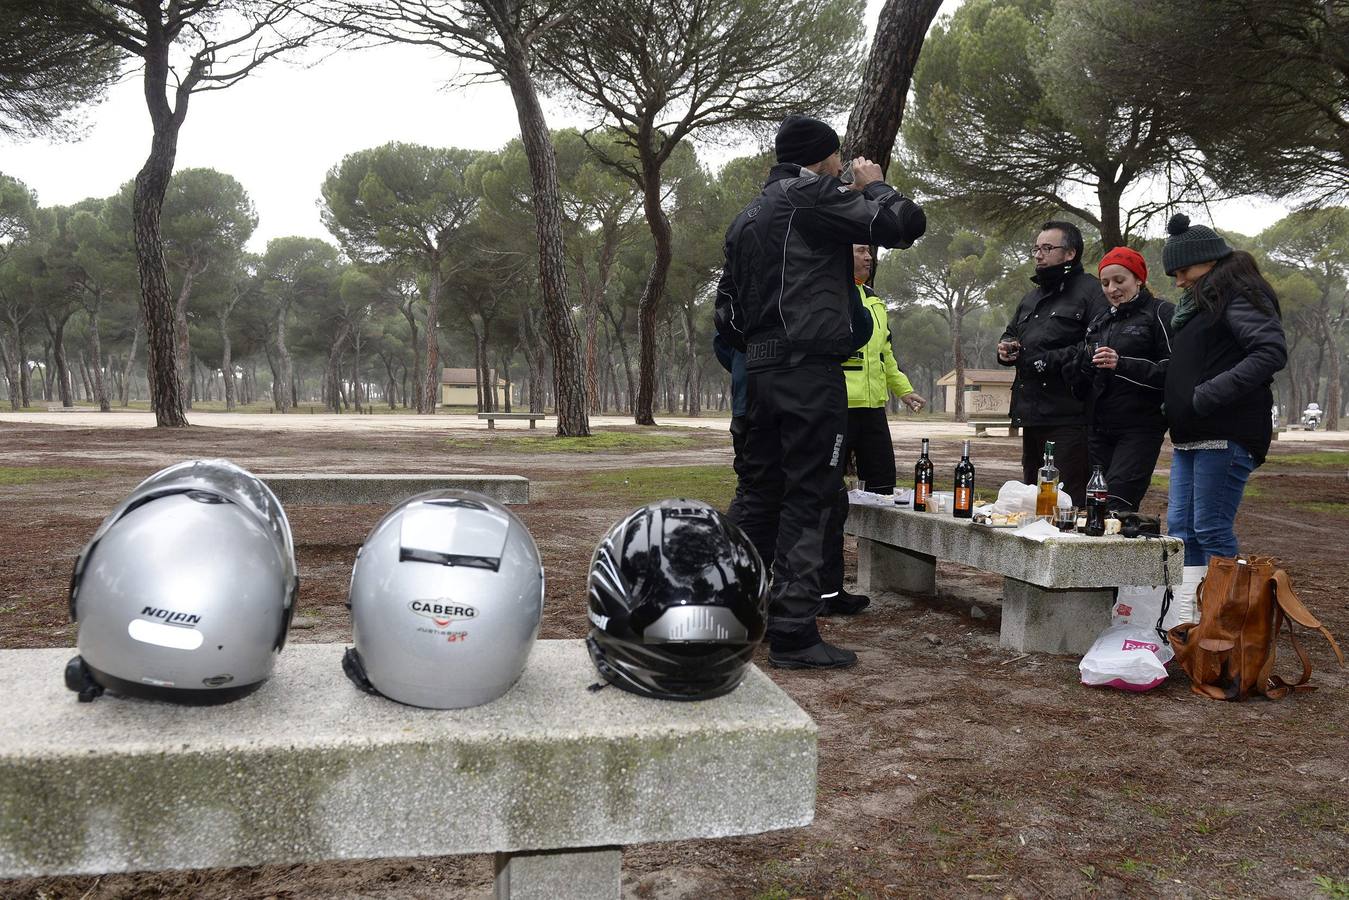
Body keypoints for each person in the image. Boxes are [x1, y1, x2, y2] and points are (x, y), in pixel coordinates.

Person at [715, 114, 926, 670]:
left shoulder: (745, 217)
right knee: (810, 496)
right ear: (824, 158)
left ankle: (729, 615)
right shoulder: (810, 194)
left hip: (758, 375)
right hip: (809, 375)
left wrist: (762, 349)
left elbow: (726, 313)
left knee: (758, 495)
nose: (841, 167)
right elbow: (905, 224)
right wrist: (874, 182)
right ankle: (793, 633)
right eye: (837, 159)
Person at [1162, 213, 1287, 621]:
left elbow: (1269, 353)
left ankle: (1229, 626)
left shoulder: (1242, 293)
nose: (1179, 281)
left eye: (1184, 270)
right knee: (1182, 531)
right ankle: (1190, 623)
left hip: (1227, 431)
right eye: (1175, 273)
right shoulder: (1199, 303)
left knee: (1211, 529)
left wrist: (1204, 396)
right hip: (1191, 436)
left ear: (1210, 260)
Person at [818, 244, 926, 617]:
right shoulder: (825, 293)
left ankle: (879, 571)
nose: (869, 258)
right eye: (861, 251)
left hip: (872, 409)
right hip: (835, 407)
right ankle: (826, 584)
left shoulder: (874, 301)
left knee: (883, 484)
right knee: (828, 495)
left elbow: (885, 356)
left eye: (870, 252)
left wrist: (904, 390)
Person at [997, 221, 1107, 505]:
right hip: (1031, 416)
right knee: (1033, 502)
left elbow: (1096, 344)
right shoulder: (1031, 297)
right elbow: (1012, 333)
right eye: (1036, 248)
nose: (1038, 254)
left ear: (1070, 253)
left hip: (1070, 417)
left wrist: (1044, 362)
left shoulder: (1091, 291)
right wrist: (1006, 347)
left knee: (1065, 503)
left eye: (1047, 248)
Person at [1066, 246, 1174, 513]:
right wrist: (1083, 364)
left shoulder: (1160, 313)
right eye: (1105, 283)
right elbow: (1079, 385)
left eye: (1119, 280)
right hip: (1098, 430)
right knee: (1095, 508)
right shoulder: (1099, 321)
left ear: (1139, 279)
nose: (1112, 289)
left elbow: (1172, 371)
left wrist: (1121, 363)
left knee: (1117, 505)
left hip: (1139, 429)